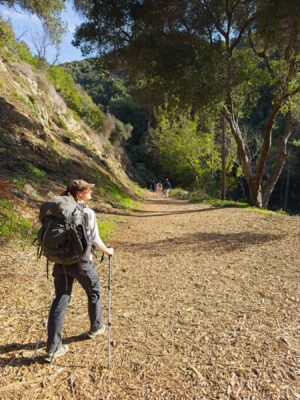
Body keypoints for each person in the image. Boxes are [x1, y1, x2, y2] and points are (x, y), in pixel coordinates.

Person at [45, 179, 114, 363]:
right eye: (88, 189)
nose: (91, 191)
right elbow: (95, 239)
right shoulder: (87, 213)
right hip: (82, 263)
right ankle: (96, 327)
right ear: (80, 193)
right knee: (94, 291)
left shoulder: (60, 211)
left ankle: (53, 347)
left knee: (60, 298)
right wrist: (107, 250)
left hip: (60, 262)